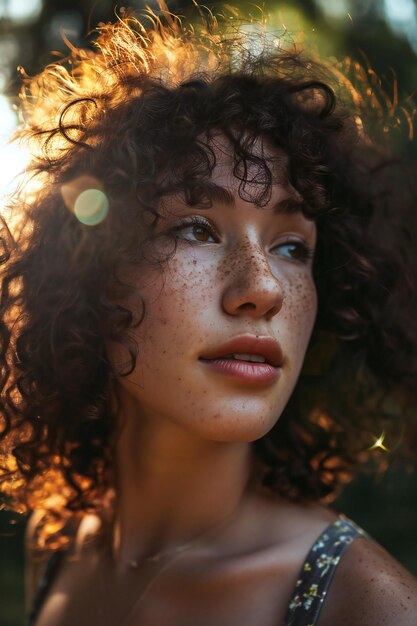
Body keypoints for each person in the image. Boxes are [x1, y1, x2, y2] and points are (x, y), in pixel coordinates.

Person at [1, 5, 417, 625]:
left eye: (292, 247)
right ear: (90, 271)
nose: (262, 289)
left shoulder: (368, 604)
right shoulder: (62, 545)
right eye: (197, 228)